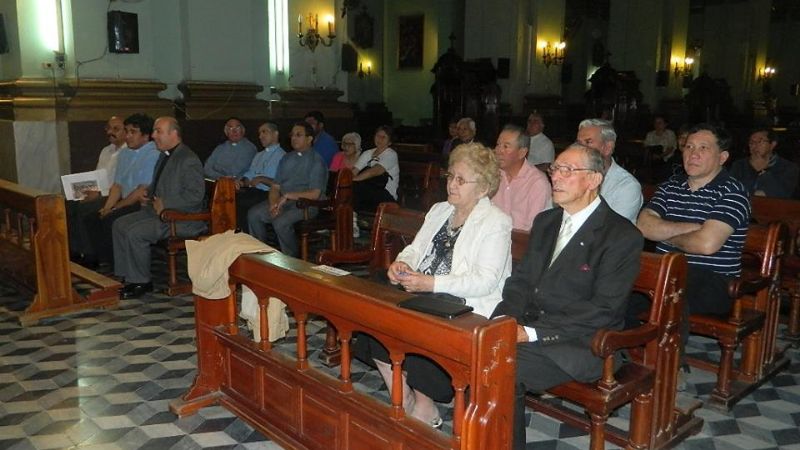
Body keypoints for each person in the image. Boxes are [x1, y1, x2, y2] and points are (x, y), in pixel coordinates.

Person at [491, 143, 643, 450]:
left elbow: (603, 310)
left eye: (567, 170)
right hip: (531, 327)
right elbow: (521, 281)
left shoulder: (621, 235)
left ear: (593, 179)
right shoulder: (547, 222)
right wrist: (503, 319)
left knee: (499, 369)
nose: (555, 177)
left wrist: (530, 333)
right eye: (554, 169)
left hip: (581, 342)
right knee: (478, 348)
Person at [355, 142, 512, 428]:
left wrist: (431, 283)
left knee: (410, 318)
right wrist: (402, 264)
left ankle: (425, 405)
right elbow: (416, 250)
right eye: (450, 176)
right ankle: (403, 398)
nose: (452, 184)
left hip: (463, 302)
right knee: (373, 308)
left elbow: (485, 281)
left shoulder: (495, 222)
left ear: (483, 187)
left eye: (461, 180)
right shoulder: (440, 210)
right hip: (421, 288)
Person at [637, 123, 750, 318]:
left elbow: (706, 244)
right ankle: (621, 346)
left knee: (670, 300)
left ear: (722, 157)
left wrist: (664, 235)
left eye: (703, 148)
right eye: (689, 147)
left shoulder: (733, 193)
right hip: (665, 270)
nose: (693, 154)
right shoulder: (670, 186)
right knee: (618, 292)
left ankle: (667, 349)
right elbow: (644, 226)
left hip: (712, 280)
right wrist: (691, 230)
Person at [112, 117, 206, 299]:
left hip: (182, 219)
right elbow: (160, 184)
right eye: (154, 131)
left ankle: (141, 282)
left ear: (174, 134)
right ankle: (126, 276)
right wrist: (149, 192)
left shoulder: (188, 159)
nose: (154, 135)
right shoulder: (165, 155)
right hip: (159, 213)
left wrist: (166, 203)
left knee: (135, 233)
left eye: (159, 131)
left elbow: (195, 195)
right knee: (119, 224)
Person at [79, 113, 161, 266]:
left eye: (133, 132)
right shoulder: (125, 153)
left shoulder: (153, 154)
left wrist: (115, 208)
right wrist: (107, 207)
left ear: (146, 136)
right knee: (93, 217)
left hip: (140, 203)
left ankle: (120, 265)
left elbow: (141, 190)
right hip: (124, 200)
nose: (128, 136)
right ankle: (101, 259)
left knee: (112, 220)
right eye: (127, 131)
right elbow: (117, 185)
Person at [247, 122, 328, 257]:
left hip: (306, 205)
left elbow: (315, 194)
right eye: (292, 135)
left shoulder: (316, 161)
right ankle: (260, 254)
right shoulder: (287, 158)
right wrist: (273, 204)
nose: (294, 138)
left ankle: (291, 258)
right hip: (283, 201)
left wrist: (288, 196)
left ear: (309, 139)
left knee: (281, 222)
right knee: (254, 214)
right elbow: (275, 186)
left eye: (298, 135)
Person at [67, 115, 127, 264]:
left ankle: (90, 254)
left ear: (127, 132)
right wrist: (85, 190)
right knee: (69, 204)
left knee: (85, 209)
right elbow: (97, 175)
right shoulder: (106, 150)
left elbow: (121, 183)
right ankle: (75, 249)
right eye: (108, 128)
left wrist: (99, 193)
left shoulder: (128, 153)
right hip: (98, 191)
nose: (110, 132)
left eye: (116, 129)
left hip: (115, 195)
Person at [577, 118, 642, 223]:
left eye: (588, 142)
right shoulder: (569, 176)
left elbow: (610, 231)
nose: (579, 149)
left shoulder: (627, 186)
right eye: (578, 143)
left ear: (607, 147)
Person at [492, 124, 551, 230]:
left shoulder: (537, 183)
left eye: (506, 146)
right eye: (497, 145)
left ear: (522, 152)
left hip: (520, 243)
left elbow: (532, 231)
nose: (498, 151)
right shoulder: (493, 175)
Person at [234, 121, 286, 229]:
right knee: (231, 198)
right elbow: (250, 175)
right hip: (254, 191)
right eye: (259, 133)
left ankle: (248, 238)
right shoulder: (258, 155)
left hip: (269, 194)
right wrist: (242, 181)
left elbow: (282, 184)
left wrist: (262, 179)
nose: (260, 136)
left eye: (264, 132)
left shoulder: (283, 156)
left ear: (275, 134)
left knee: (242, 203)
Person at [730, 127, 799, 199]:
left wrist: (763, 172)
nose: (755, 146)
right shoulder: (739, 166)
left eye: (760, 141)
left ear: (772, 144)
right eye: (751, 142)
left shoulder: (789, 168)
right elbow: (732, 191)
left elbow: (782, 195)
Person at [352, 125, 400, 214]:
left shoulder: (391, 154)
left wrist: (354, 180)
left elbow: (375, 171)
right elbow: (354, 171)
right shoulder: (367, 153)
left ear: (389, 142)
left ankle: (353, 216)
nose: (380, 139)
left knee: (358, 188)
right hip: (368, 189)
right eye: (378, 136)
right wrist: (347, 179)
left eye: (384, 137)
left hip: (386, 194)